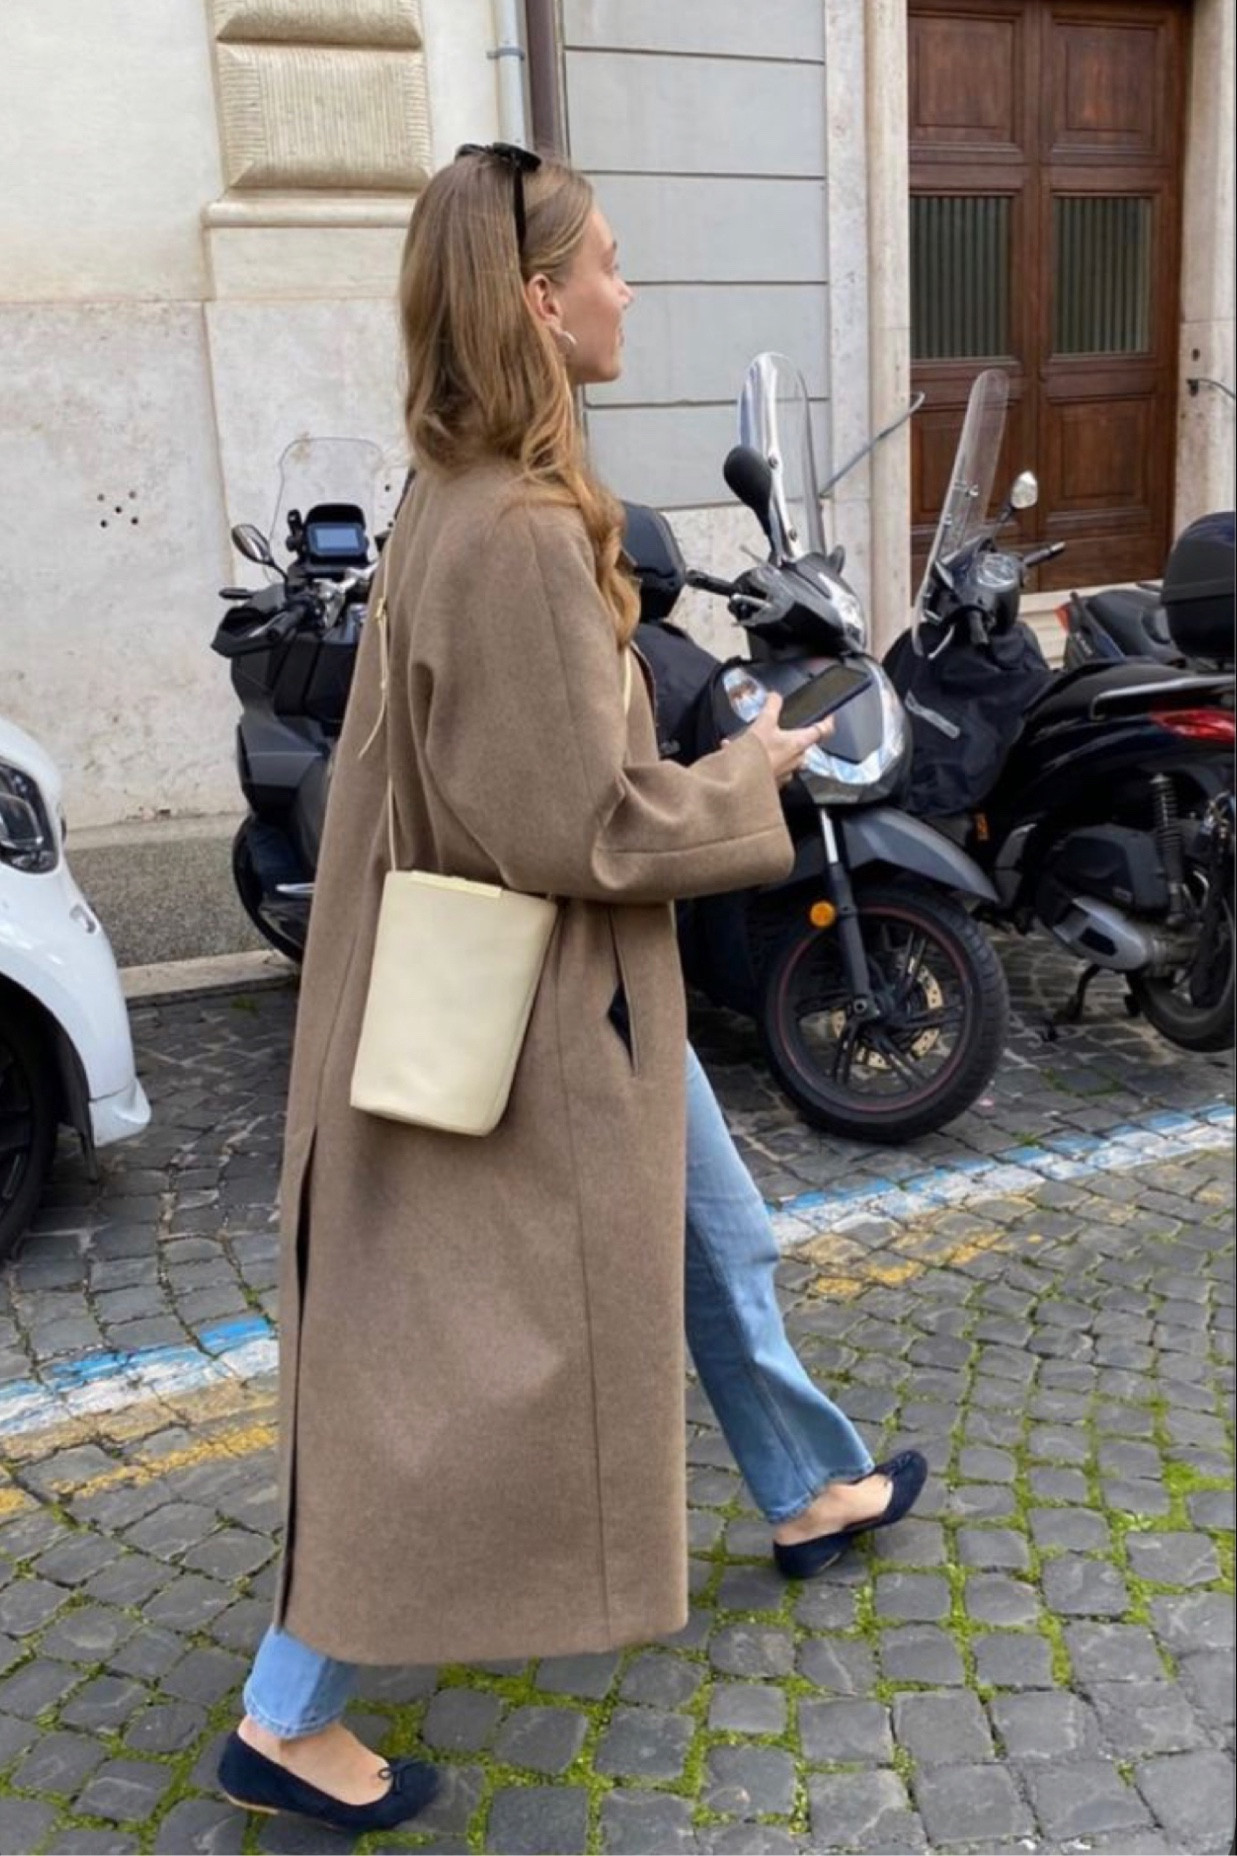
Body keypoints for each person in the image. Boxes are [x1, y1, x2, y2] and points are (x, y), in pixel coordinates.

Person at [218, 143, 921, 1836]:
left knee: (721, 1238)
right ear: (539, 301)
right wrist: (748, 774)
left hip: (571, 999)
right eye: (604, 262)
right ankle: (287, 1711)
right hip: (543, 1013)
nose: (627, 287)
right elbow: (574, 828)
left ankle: (808, 1485)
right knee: (445, 1370)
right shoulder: (519, 530)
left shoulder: (456, 497)